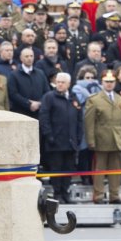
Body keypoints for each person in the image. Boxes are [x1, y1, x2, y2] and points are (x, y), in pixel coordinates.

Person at [84, 71, 121, 204]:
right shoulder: (94, 99)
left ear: (115, 83)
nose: (109, 84)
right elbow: (89, 122)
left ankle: (114, 195)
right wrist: (91, 140)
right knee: (99, 170)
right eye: (106, 82)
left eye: (111, 82)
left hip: (117, 138)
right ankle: (98, 196)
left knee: (116, 170)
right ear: (102, 83)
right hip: (101, 138)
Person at [38, 72, 82, 203]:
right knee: (56, 168)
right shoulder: (49, 97)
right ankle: (57, 193)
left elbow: (79, 120)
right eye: (58, 82)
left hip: (70, 142)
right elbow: (44, 117)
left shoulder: (73, 99)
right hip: (55, 142)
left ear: (69, 84)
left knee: (68, 168)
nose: (60, 84)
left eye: (63, 82)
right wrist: (49, 135)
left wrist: (78, 137)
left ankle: (65, 191)